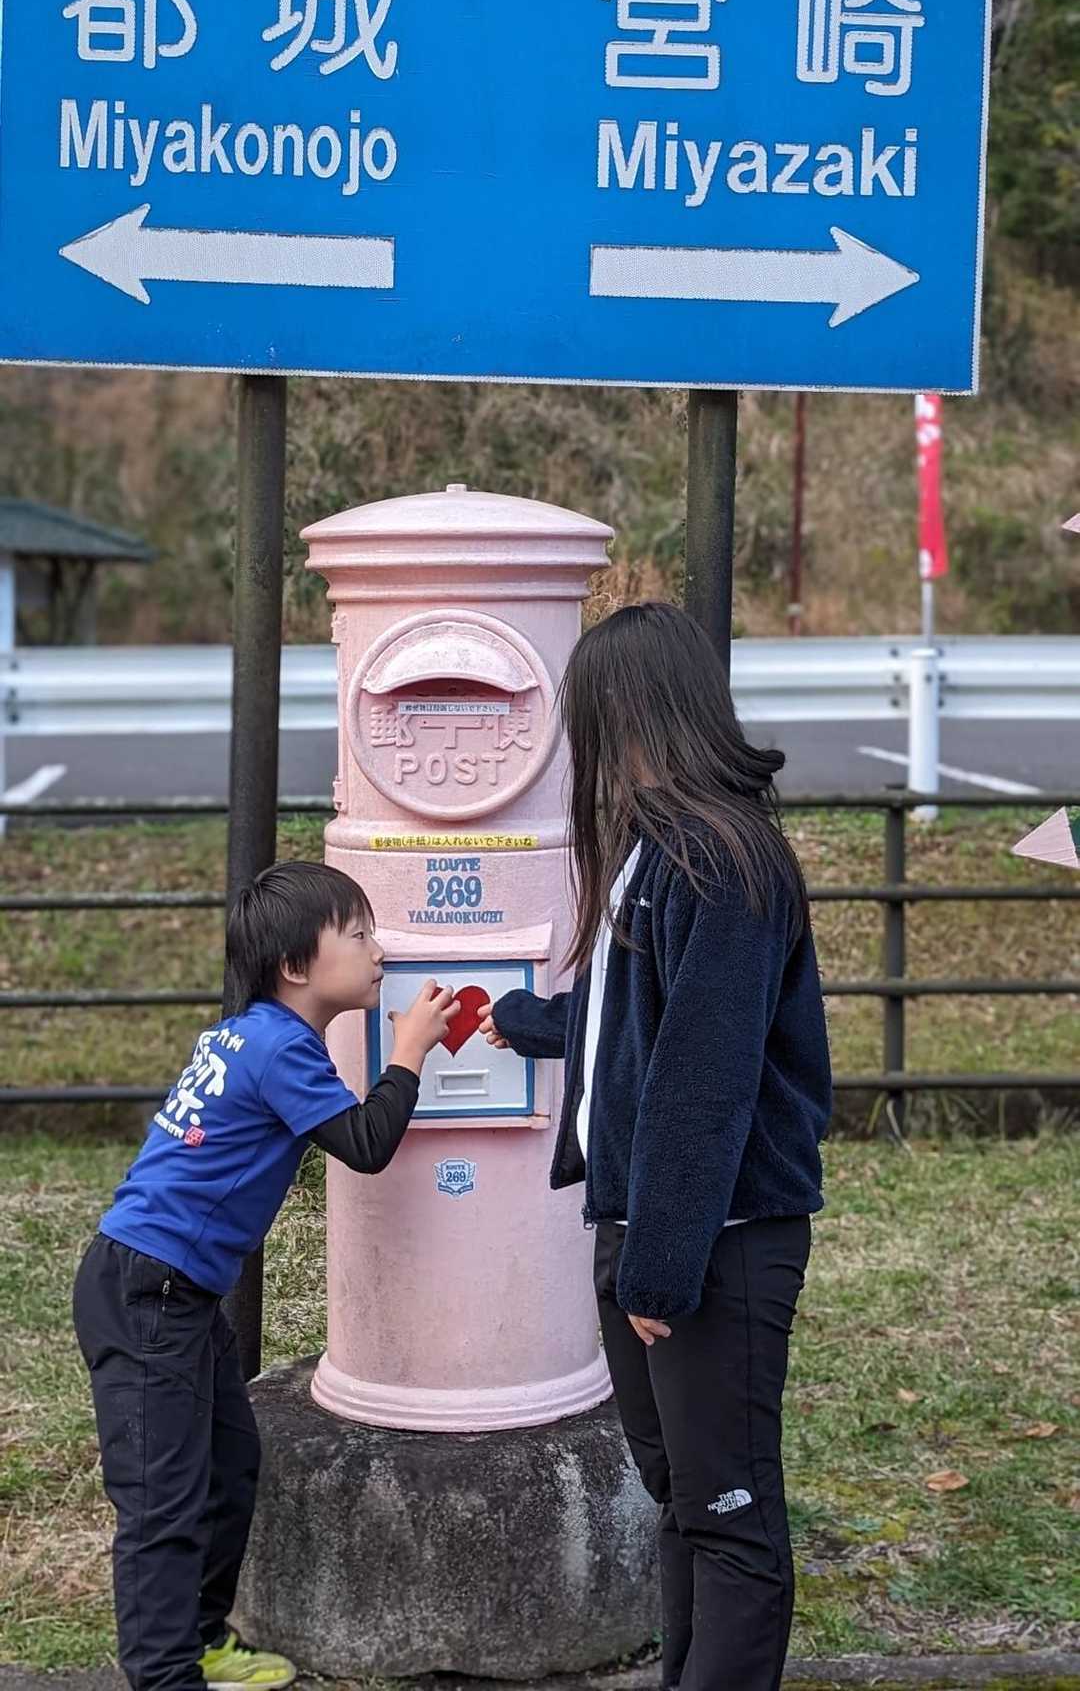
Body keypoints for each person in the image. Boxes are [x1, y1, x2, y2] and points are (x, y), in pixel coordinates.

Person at [478, 602, 831, 1691]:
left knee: (727, 1512)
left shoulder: (724, 860)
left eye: (591, 719)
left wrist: (662, 1270)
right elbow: (635, 1019)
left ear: (633, 716)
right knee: (682, 1500)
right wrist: (525, 1020)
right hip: (646, 1229)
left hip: (713, 1239)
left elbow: (702, 1081)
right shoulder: (658, 852)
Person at [73, 861, 458, 1691]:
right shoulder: (281, 1049)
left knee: (228, 1467)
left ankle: (203, 1641)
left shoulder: (250, 1033)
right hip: (150, 1292)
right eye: (357, 935)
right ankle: (166, 1676)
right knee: (163, 1504)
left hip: (171, 1287)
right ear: (294, 966)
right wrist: (410, 1052)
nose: (378, 949)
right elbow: (365, 1144)